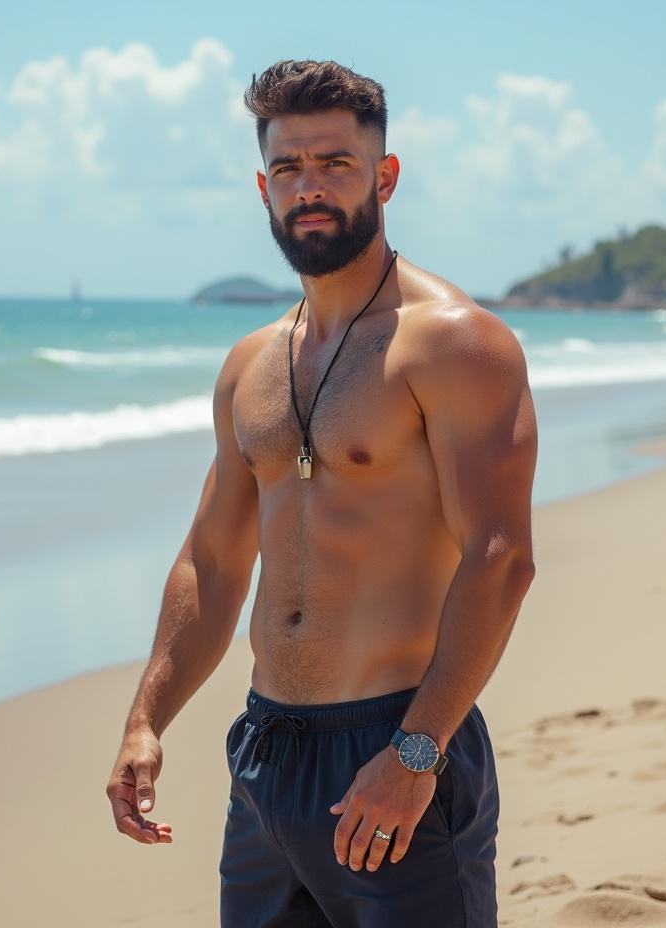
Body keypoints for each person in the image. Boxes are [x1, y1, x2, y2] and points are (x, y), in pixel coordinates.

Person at [106, 59, 538, 926]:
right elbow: (213, 559)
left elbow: (501, 558)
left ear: (385, 176)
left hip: (397, 746)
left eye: (336, 164)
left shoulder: (453, 344)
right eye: (289, 168)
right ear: (262, 187)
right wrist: (146, 718)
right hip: (265, 756)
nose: (311, 187)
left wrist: (417, 752)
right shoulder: (251, 366)